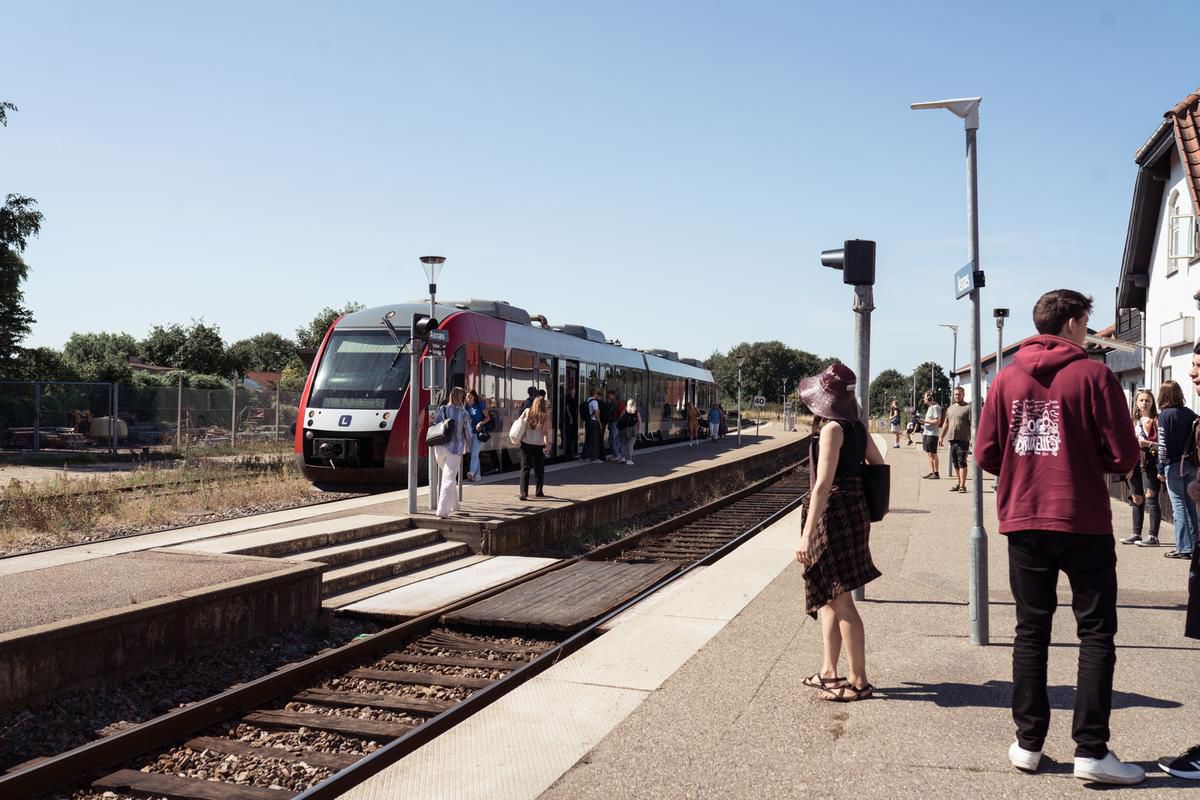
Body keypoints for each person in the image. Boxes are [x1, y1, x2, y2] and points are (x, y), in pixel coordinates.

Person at [975, 289, 1142, 784]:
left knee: (1031, 630)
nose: (1089, 330)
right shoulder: (1094, 375)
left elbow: (986, 452)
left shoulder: (1005, 379)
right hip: (1082, 517)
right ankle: (1091, 752)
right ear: (1072, 323)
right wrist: (1086, 462)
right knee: (1095, 633)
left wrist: (1023, 468)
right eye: (1087, 321)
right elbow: (1125, 454)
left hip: (1023, 518)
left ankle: (1028, 744)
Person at [795, 363, 883, 702]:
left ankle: (859, 682)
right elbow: (877, 462)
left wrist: (807, 534)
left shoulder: (833, 429)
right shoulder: (857, 426)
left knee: (842, 601)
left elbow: (821, 486)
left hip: (832, 516)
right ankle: (829, 672)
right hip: (854, 512)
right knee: (831, 596)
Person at [1157, 340, 1200, 780]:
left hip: (1175, 468)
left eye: (1198, 365)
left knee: (1181, 505)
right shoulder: (1194, 415)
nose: (1193, 373)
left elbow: (1167, 449)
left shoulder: (1172, 417)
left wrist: (1165, 470)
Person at [1156, 379, 1198, 559]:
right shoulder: (1190, 414)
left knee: (1179, 507)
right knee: (1190, 506)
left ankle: (1184, 548)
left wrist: (1160, 467)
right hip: (1191, 464)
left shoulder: (1164, 415)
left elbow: (1162, 445)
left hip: (1173, 465)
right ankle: (1194, 546)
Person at [1120, 390, 1160, 546]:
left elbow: (1163, 445)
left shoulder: (1157, 420)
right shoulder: (1131, 422)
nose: (1144, 403)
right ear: (1136, 403)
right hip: (1133, 463)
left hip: (1150, 463)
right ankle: (1136, 533)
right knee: (1136, 498)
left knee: (1151, 497)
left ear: (1152, 403)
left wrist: (1148, 443)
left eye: (1147, 400)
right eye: (1141, 400)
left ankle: (1153, 536)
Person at [431, 387, 470, 519]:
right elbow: (468, 434)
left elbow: (435, 424)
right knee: (448, 478)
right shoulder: (464, 414)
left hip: (440, 448)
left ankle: (454, 505)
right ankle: (442, 510)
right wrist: (469, 447)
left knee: (449, 477)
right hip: (455, 449)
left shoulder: (443, 409)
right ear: (461, 398)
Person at [516, 396, 550, 500]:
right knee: (539, 469)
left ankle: (523, 493)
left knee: (525, 468)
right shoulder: (545, 416)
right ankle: (539, 492)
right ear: (544, 405)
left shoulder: (527, 411)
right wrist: (546, 445)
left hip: (526, 443)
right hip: (538, 445)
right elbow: (545, 433)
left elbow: (519, 424)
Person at [939, 386, 971, 493]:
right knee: (955, 464)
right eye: (955, 394)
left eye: (959, 394)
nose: (957, 396)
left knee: (962, 462)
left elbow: (973, 425)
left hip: (963, 439)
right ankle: (959, 483)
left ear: (963, 395)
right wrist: (941, 437)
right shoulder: (950, 408)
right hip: (952, 439)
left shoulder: (968, 408)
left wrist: (972, 439)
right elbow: (946, 424)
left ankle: (962, 486)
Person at [464, 389, 490, 482]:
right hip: (468, 433)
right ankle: (477, 476)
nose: (468, 399)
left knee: (474, 453)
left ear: (474, 397)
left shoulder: (479, 405)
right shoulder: (465, 406)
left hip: (478, 432)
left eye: (470, 397)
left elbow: (488, 417)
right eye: (467, 397)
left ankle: (471, 472)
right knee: (474, 454)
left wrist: (480, 423)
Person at [920, 390, 942, 479]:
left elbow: (937, 421)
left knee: (933, 453)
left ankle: (936, 473)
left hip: (932, 434)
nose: (924, 399)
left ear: (930, 398)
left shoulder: (936, 407)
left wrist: (925, 421)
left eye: (925, 397)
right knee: (929, 453)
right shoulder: (930, 407)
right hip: (927, 433)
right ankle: (932, 472)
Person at [618, 399, 641, 465]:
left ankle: (622, 458)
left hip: (624, 429)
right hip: (633, 430)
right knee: (630, 446)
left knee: (623, 444)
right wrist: (638, 430)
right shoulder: (636, 412)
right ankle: (629, 460)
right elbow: (639, 421)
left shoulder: (625, 410)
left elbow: (620, 418)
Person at [585, 390, 602, 462]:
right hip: (593, 422)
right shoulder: (594, 402)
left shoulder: (587, 400)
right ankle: (594, 458)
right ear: (596, 394)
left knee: (588, 439)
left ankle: (584, 456)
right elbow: (596, 413)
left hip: (588, 421)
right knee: (595, 440)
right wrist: (600, 423)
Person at [604, 389, 621, 462]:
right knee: (616, 439)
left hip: (614, 422)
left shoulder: (612, 403)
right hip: (616, 422)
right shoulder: (616, 402)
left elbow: (608, 412)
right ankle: (617, 454)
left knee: (612, 439)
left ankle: (616, 455)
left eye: (609, 394)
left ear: (613, 396)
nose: (608, 396)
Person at [562, 387, 578, 460]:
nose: (574, 391)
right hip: (570, 418)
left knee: (573, 436)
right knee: (569, 436)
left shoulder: (575, 398)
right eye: (573, 390)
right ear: (570, 391)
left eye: (574, 390)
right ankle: (569, 453)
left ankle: (573, 452)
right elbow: (567, 408)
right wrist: (570, 417)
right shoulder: (568, 398)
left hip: (574, 418)